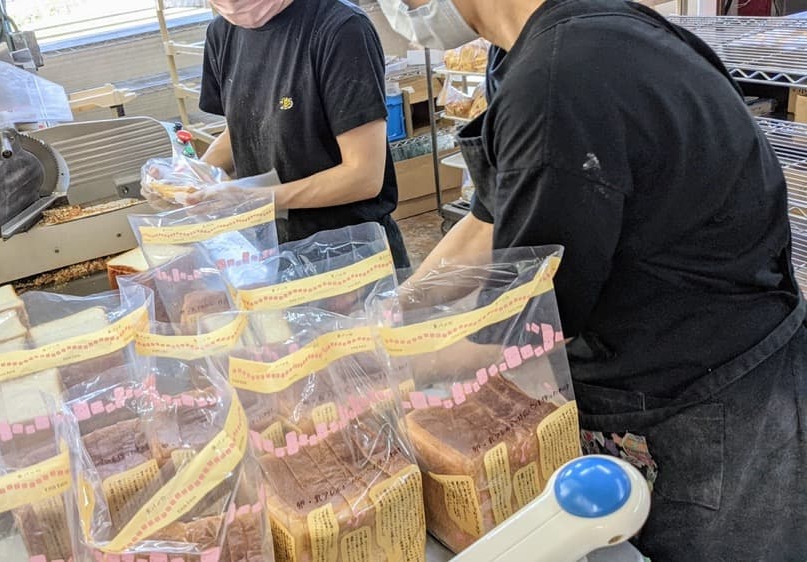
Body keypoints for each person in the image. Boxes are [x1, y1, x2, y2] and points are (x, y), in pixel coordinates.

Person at [376, 0, 807, 559]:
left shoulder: (559, 81)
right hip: (673, 357)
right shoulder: (534, 49)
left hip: (706, 398)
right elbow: (489, 218)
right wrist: (395, 311)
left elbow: (525, 329)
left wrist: (388, 368)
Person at [197, 0, 411, 269]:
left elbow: (364, 176)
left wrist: (258, 198)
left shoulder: (340, 27)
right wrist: (192, 176)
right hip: (271, 252)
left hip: (349, 255)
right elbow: (247, 125)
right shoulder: (222, 32)